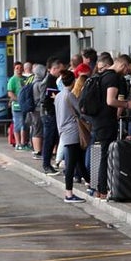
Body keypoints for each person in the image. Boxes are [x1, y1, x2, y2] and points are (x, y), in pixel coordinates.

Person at [54, 69, 87, 203]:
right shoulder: (70, 96)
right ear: (73, 81)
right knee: (71, 164)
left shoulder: (58, 96)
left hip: (63, 130)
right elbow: (80, 111)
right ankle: (69, 194)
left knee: (78, 160)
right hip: (72, 131)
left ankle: (91, 185)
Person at [39, 58, 64, 175]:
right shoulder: (49, 81)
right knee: (49, 139)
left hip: (51, 113)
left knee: (52, 139)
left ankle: (47, 164)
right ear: (54, 68)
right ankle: (46, 165)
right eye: (60, 70)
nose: (61, 73)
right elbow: (46, 99)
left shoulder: (52, 80)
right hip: (49, 114)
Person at [7, 61, 25, 149]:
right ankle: (18, 143)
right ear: (14, 69)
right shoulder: (12, 80)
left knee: (24, 124)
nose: (19, 70)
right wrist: (18, 100)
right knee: (18, 124)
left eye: (21, 68)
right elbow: (10, 93)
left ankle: (23, 142)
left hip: (25, 105)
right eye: (17, 68)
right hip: (17, 106)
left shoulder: (25, 79)